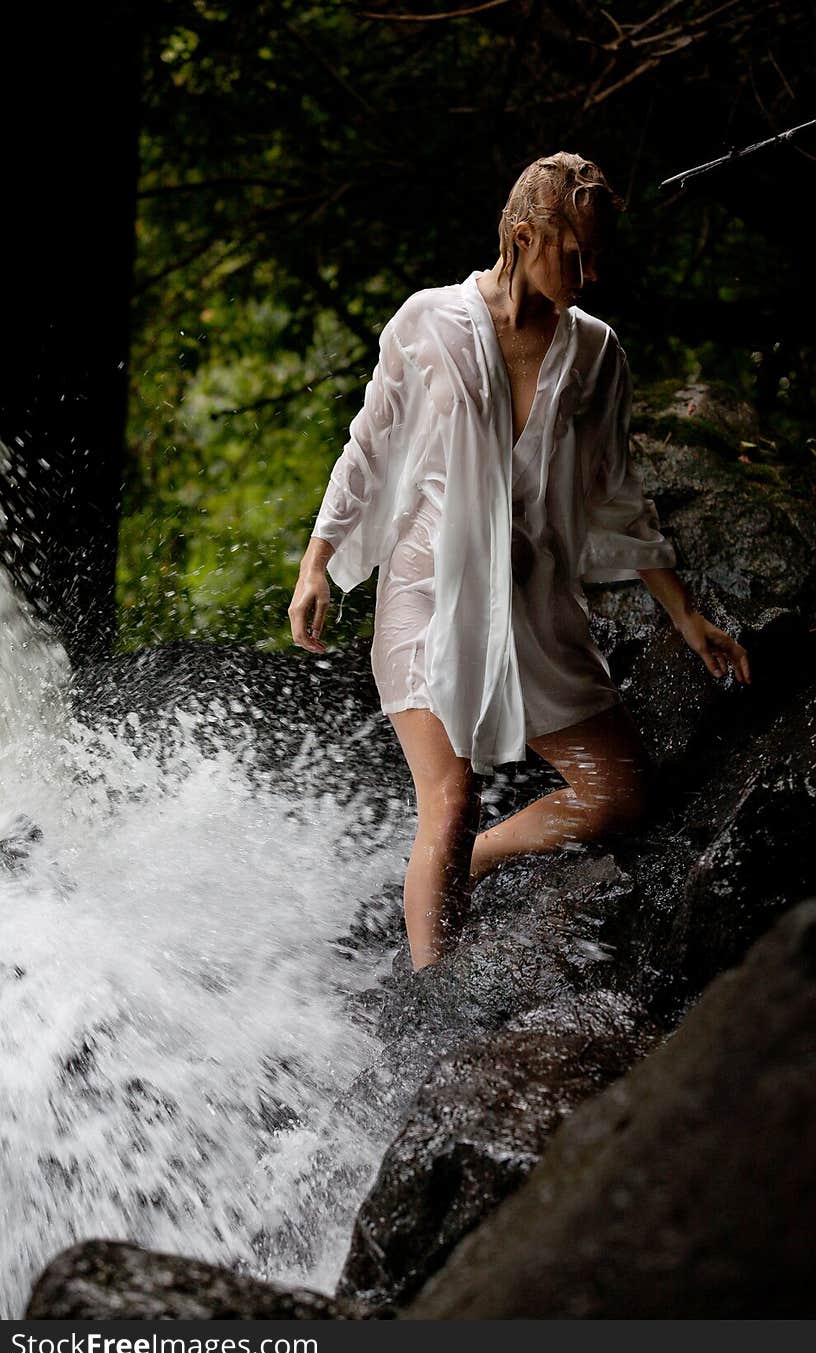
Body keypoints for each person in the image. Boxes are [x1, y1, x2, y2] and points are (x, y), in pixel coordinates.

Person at [289, 152, 750, 973]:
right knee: (451, 795)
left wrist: (684, 614)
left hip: (531, 607)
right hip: (428, 594)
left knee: (618, 795)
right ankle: (432, 1004)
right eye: (576, 254)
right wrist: (317, 562)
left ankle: (468, 864)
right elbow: (369, 443)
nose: (592, 271)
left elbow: (617, 493)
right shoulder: (429, 321)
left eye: (598, 254)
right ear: (525, 235)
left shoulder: (598, 352)